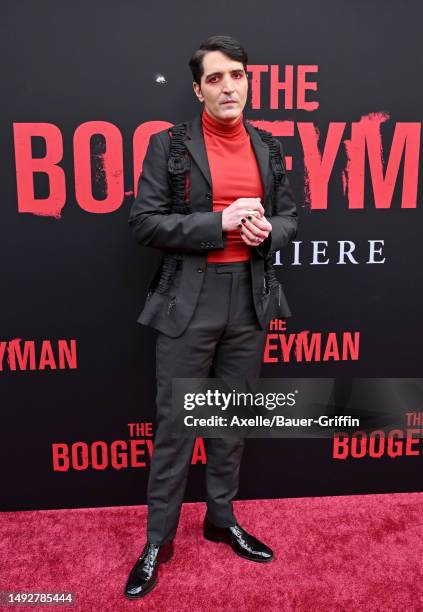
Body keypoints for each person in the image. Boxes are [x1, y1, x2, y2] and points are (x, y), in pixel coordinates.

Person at [124, 34, 298, 599]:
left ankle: (221, 519)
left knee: (231, 423)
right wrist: (219, 224)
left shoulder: (270, 147)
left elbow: (291, 217)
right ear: (198, 89)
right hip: (188, 303)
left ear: (250, 81)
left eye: (238, 75)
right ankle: (157, 540)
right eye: (216, 78)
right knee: (176, 428)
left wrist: (270, 231)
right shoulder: (169, 146)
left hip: (251, 299)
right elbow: (145, 223)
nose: (229, 86)